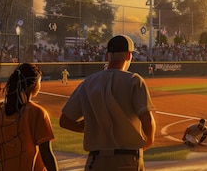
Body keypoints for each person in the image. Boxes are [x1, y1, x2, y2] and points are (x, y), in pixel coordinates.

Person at [60, 35, 156, 171]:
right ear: (129, 56)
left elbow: (65, 121)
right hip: (128, 158)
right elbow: (147, 120)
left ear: (107, 56)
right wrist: (149, 139)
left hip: (95, 160)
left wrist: (89, 126)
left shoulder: (88, 83)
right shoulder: (134, 80)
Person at [0, 63, 58, 171]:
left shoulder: (2, 112)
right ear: (34, 85)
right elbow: (46, 153)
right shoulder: (37, 112)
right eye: (39, 82)